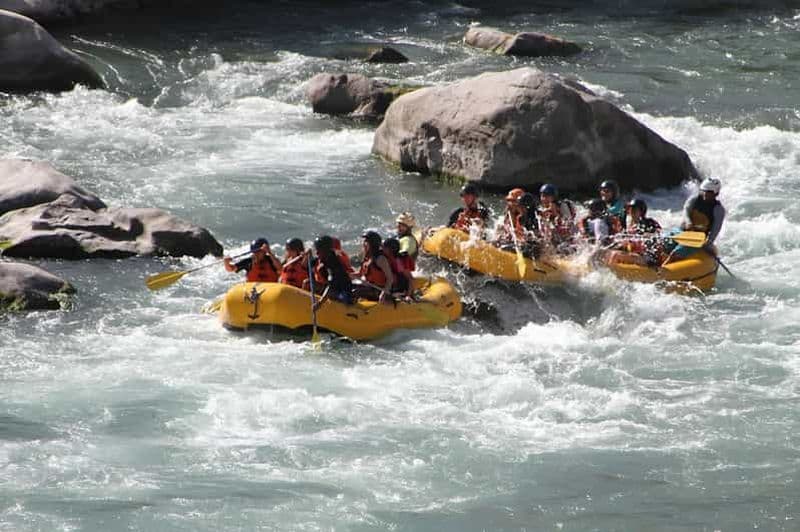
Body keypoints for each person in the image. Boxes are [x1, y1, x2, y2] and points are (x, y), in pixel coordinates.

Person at [310, 235, 353, 310]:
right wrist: (307, 255)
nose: (316, 252)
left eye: (318, 250)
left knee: (345, 300)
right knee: (309, 283)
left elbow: (330, 287)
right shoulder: (323, 258)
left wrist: (320, 303)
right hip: (330, 286)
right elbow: (307, 265)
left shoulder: (334, 265)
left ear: (325, 250)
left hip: (342, 290)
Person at [352, 231, 394, 303]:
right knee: (348, 287)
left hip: (379, 290)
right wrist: (346, 274)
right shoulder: (367, 257)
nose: (364, 244)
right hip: (370, 287)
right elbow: (359, 274)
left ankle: (351, 311)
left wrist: (383, 293)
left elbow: (390, 278)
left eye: (366, 242)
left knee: (355, 292)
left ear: (373, 244)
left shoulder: (380, 259)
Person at [681, 177, 725, 245]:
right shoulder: (694, 199)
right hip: (684, 231)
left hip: (698, 239)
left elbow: (715, 230)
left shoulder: (718, 209)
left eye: (708, 192)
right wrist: (688, 222)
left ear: (716, 193)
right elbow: (686, 210)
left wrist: (708, 243)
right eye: (703, 190)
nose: (705, 193)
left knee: (678, 252)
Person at [536, 183, 576, 252]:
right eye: (542, 196)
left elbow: (567, 225)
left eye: (547, 196)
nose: (544, 199)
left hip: (567, 237)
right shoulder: (542, 209)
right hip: (555, 236)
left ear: (554, 197)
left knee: (563, 246)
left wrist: (555, 213)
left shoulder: (563, 206)